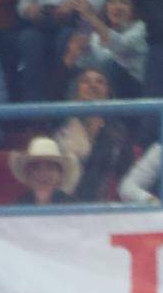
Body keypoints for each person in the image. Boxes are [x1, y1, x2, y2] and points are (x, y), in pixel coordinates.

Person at [53, 67, 135, 201]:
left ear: (108, 93)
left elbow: (126, 178)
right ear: (75, 93)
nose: (93, 85)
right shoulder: (62, 129)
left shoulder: (119, 133)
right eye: (85, 81)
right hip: (65, 206)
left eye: (100, 82)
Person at [63, 0, 147, 94]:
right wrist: (74, 53)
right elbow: (85, 65)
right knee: (81, 77)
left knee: (109, 66)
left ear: (134, 6)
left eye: (123, 2)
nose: (117, 7)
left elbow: (120, 45)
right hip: (101, 87)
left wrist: (91, 16)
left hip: (131, 90)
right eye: (112, 2)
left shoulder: (140, 28)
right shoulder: (96, 36)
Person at [6, 131, 78, 205]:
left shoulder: (74, 208)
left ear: (60, 175)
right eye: (36, 167)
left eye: (50, 167)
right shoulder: (16, 210)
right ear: (27, 174)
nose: (43, 173)